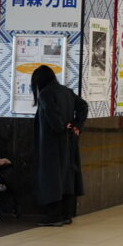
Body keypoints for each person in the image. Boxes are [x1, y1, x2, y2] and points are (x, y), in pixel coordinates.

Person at [31, 65, 88, 227]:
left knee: (51, 177)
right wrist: (76, 125)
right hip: (69, 141)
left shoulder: (45, 94)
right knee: (66, 176)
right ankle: (66, 214)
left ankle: (54, 216)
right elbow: (83, 106)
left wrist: (61, 126)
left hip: (51, 142)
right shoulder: (66, 91)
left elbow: (52, 115)